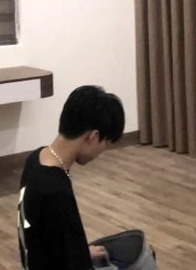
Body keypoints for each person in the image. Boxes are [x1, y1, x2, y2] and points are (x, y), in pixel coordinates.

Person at [17, 85, 125, 270]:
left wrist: (82, 252)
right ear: (93, 136)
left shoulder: (36, 159)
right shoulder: (55, 190)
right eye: (106, 144)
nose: (102, 152)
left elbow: (48, 240)